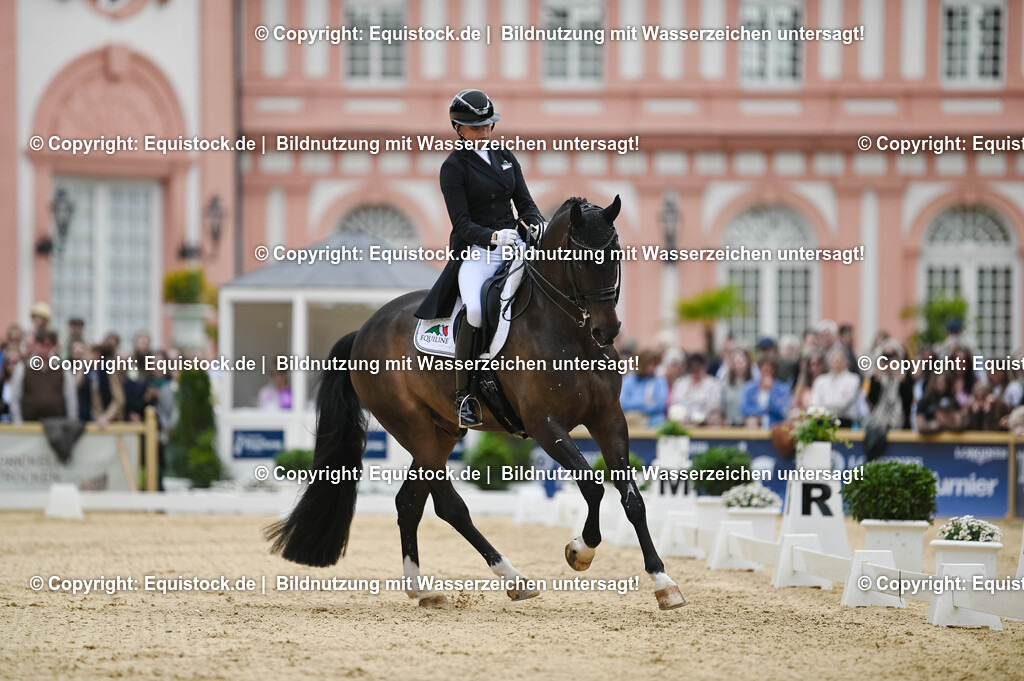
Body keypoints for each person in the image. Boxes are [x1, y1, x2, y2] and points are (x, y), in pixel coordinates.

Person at [414, 89, 544, 427]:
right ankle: (464, 395)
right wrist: (492, 236)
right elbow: (461, 223)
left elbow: (524, 202)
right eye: (476, 128)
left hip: (515, 243)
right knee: (474, 308)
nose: (484, 133)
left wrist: (536, 223)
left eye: (488, 126)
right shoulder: (453, 168)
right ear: (458, 128)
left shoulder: (504, 156)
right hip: (478, 251)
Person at [8, 329, 77, 423]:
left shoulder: (63, 369)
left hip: (57, 424)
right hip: (29, 424)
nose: (45, 349)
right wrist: (18, 423)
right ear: (36, 345)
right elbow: (15, 398)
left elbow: (70, 398)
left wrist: (71, 423)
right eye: (41, 345)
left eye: (48, 345)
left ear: (52, 346)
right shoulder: (23, 367)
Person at [809, 347, 863, 426]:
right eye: (834, 359)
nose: (837, 362)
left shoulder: (853, 380)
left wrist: (824, 406)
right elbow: (814, 404)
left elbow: (843, 404)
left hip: (845, 421)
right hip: (822, 421)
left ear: (845, 361)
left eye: (839, 360)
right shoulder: (821, 381)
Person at [669, 353, 722, 425]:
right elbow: (675, 405)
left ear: (704, 367)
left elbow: (714, 408)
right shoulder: (680, 384)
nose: (695, 372)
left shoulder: (713, 384)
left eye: (698, 368)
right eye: (692, 368)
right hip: (683, 424)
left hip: (705, 425)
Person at [620, 350, 669, 427]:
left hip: (653, 422)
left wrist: (635, 406)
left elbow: (660, 405)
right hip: (630, 422)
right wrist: (644, 402)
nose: (653, 367)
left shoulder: (660, 382)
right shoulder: (627, 380)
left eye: (655, 364)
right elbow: (622, 403)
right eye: (650, 363)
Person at [740, 357, 791, 428]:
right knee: (752, 420)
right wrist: (764, 410)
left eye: (769, 368)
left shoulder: (782, 388)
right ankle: (752, 439)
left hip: (776, 422)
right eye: (763, 367)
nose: (766, 370)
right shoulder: (749, 387)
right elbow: (745, 408)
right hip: (756, 422)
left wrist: (772, 390)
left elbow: (783, 410)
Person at [719, 347, 752, 426]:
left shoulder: (754, 383)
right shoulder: (725, 384)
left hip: (749, 426)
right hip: (730, 426)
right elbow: (721, 408)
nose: (740, 366)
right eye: (737, 362)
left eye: (742, 362)